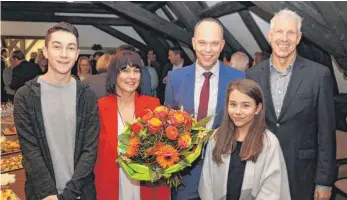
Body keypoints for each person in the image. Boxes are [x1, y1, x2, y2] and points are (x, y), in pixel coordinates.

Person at [246, 9, 336, 200]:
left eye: (291, 33)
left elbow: (326, 133)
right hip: (262, 171)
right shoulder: (252, 75)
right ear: (270, 36)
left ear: (298, 38)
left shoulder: (318, 75)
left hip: (303, 174)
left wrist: (324, 181)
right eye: (279, 32)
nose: (284, 39)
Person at [13, 22, 99, 200]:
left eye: (70, 48)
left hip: (80, 193)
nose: (63, 54)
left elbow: (89, 150)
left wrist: (66, 196)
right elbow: (31, 152)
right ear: (45, 51)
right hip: (42, 194)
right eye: (57, 47)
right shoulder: (25, 96)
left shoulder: (87, 96)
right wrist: (49, 194)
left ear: (76, 55)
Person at [165, 18, 245, 200]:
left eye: (214, 44)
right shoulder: (175, 79)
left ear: (222, 45)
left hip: (224, 174)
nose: (208, 50)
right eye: (202, 43)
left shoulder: (238, 78)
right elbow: (167, 127)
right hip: (185, 177)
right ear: (193, 43)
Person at [94, 50, 170, 200]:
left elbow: (163, 156)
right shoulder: (99, 108)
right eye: (125, 71)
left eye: (136, 71)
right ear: (114, 74)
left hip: (146, 188)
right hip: (110, 187)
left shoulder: (152, 105)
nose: (132, 76)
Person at [199, 79, 290, 200]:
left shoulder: (269, 143)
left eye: (245, 105)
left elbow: (272, 189)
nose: (237, 111)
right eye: (233, 104)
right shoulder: (217, 137)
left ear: (257, 108)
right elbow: (207, 182)